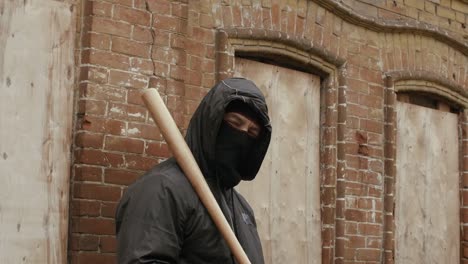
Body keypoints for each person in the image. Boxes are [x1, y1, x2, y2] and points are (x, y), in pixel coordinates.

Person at [115, 77, 272, 264]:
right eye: (235, 124)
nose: (241, 137)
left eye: (252, 133)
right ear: (212, 123)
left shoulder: (241, 207)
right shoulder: (162, 189)